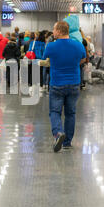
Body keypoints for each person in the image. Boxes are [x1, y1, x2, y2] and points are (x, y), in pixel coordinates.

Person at [41, 21, 86, 153]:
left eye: (54, 30)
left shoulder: (51, 46)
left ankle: (58, 133)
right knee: (70, 113)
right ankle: (67, 142)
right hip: (74, 83)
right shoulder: (78, 45)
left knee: (55, 112)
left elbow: (45, 59)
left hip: (57, 84)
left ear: (59, 31)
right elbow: (83, 59)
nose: (53, 32)